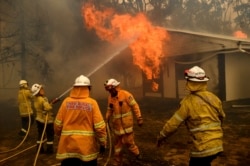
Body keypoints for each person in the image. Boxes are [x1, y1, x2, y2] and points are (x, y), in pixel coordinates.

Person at [156, 66, 226, 166]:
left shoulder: (188, 103)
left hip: (202, 148)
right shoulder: (214, 98)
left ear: (190, 83)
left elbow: (173, 124)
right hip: (217, 144)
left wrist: (161, 136)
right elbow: (222, 117)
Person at [54, 75, 107, 166]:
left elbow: (58, 124)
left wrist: (60, 136)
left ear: (74, 87)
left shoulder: (66, 102)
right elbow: (100, 126)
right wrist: (103, 143)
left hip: (68, 145)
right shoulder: (92, 103)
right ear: (88, 88)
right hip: (87, 147)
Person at [104, 78, 143, 166]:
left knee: (129, 142)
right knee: (117, 146)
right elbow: (109, 109)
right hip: (117, 127)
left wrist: (139, 118)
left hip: (127, 126)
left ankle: (137, 154)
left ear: (115, 87)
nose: (110, 92)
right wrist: (107, 118)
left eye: (110, 89)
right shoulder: (110, 98)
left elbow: (135, 106)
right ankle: (117, 162)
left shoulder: (126, 95)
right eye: (108, 90)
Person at [31, 83, 55, 154]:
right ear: (38, 91)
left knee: (40, 135)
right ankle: (49, 151)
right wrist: (50, 104)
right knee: (50, 135)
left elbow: (42, 108)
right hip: (46, 121)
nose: (43, 90)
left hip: (39, 119)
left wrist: (48, 103)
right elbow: (48, 108)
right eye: (41, 89)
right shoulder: (43, 99)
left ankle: (40, 149)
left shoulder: (36, 99)